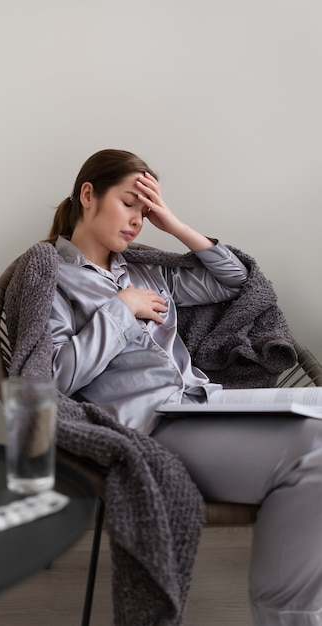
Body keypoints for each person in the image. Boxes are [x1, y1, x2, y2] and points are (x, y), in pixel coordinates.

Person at [45, 149, 322, 626]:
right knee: (316, 454)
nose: (138, 221)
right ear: (88, 195)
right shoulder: (51, 279)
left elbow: (235, 283)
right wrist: (120, 309)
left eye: (146, 210)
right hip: (154, 429)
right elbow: (54, 378)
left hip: (205, 403)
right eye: (130, 203)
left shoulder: (146, 271)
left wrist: (172, 224)